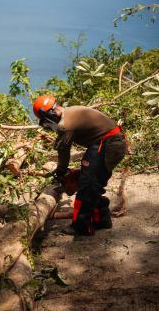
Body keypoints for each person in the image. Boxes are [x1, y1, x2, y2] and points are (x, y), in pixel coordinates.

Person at [33, 95, 128, 236]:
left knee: (88, 184)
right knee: (91, 182)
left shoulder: (66, 125)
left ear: (48, 114)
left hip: (108, 144)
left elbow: (63, 153)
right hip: (105, 143)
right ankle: (102, 218)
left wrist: (60, 172)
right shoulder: (69, 114)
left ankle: (81, 226)